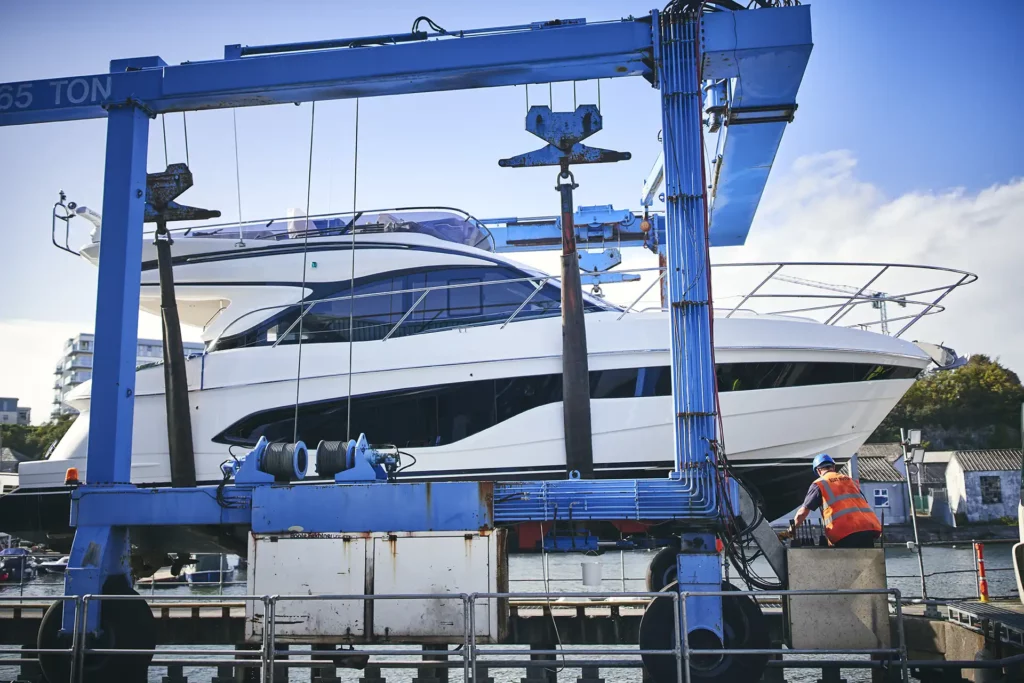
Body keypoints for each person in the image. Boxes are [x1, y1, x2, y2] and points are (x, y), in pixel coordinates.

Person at [792, 453, 882, 548]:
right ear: (833, 467)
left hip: (845, 531)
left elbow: (802, 513)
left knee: (847, 561)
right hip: (867, 527)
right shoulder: (850, 480)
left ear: (818, 471)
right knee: (866, 560)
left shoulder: (820, 484)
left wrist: (791, 530)